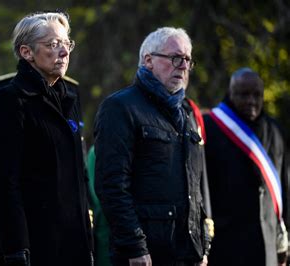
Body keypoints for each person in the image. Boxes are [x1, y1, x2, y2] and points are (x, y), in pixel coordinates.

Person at [94, 27, 211, 266]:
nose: (183, 65)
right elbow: (112, 186)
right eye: (175, 57)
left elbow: (196, 190)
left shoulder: (187, 115)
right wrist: (134, 246)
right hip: (144, 255)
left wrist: (202, 246)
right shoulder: (120, 107)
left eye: (188, 60)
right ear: (148, 60)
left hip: (187, 255)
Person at [0, 11, 93, 266]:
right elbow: (5, 183)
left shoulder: (69, 98)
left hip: (74, 246)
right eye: (53, 44)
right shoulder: (11, 99)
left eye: (66, 44)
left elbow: (78, 177)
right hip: (36, 246)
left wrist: (87, 244)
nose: (64, 52)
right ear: (27, 52)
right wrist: (16, 250)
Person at [204, 68, 289, 266]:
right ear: (230, 93)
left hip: (267, 246)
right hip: (226, 244)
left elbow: (284, 186)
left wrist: (284, 238)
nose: (251, 101)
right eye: (244, 94)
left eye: (257, 95)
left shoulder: (274, 131)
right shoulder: (210, 127)